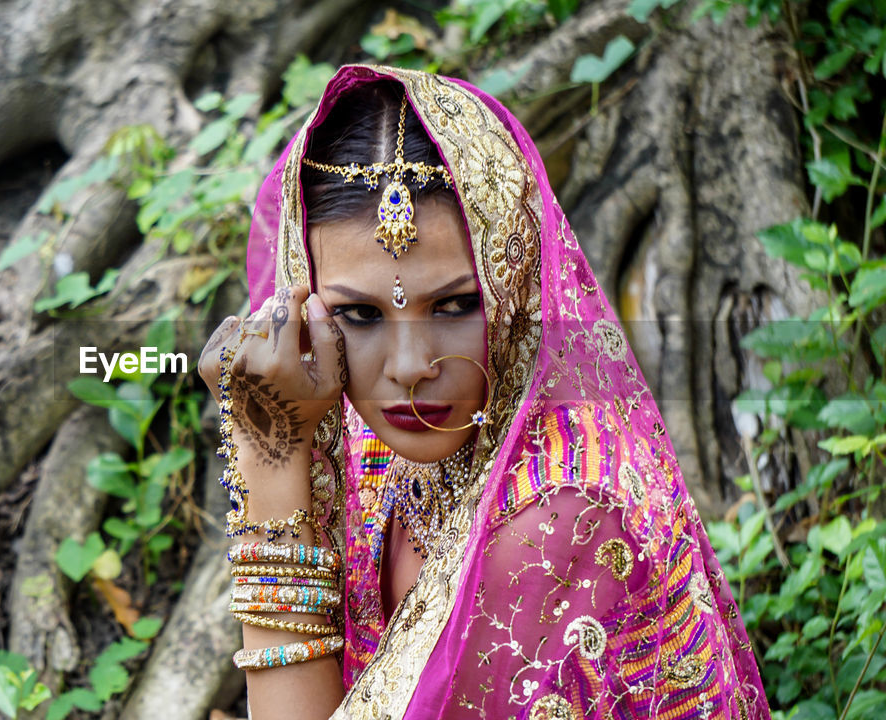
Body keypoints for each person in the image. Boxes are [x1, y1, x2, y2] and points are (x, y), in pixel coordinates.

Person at [197, 64, 770, 720]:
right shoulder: (381, 441)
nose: (411, 366)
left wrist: (266, 460)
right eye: (359, 315)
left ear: (519, 283)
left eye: (457, 305)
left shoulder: (560, 521)